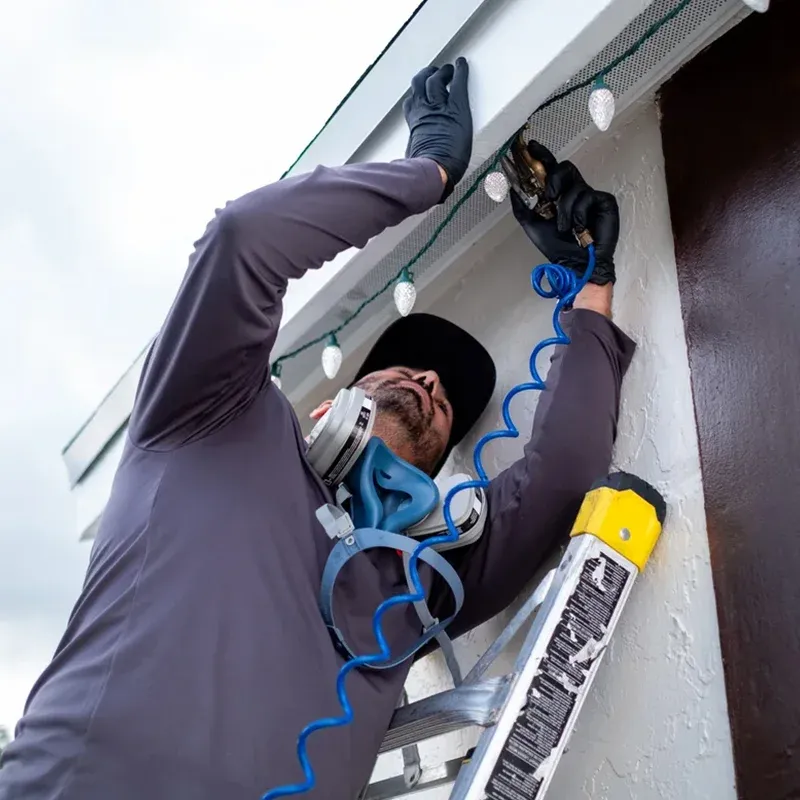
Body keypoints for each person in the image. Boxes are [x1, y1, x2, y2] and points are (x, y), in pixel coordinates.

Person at [0, 58, 633, 800]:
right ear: (329, 407)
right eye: (403, 369)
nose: (429, 382)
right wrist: (427, 172)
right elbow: (243, 240)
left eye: (444, 398)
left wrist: (593, 283)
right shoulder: (212, 415)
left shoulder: (419, 584)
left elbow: (564, 475)